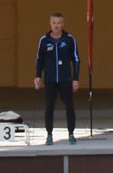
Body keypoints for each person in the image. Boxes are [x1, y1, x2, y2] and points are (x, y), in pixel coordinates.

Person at [34, 12, 80, 145]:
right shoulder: (44, 40)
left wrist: (75, 79)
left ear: (63, 24)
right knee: (49, 107)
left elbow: (76, 59)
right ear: (50, 24)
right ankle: (49, 135)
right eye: (54, 23)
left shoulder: (69, 39)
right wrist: (38, 76)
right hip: (50, 80)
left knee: (69, 106)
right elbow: (39, 60)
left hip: (65, 79)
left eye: (59, 23)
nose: (56, 26)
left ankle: (71, 133)